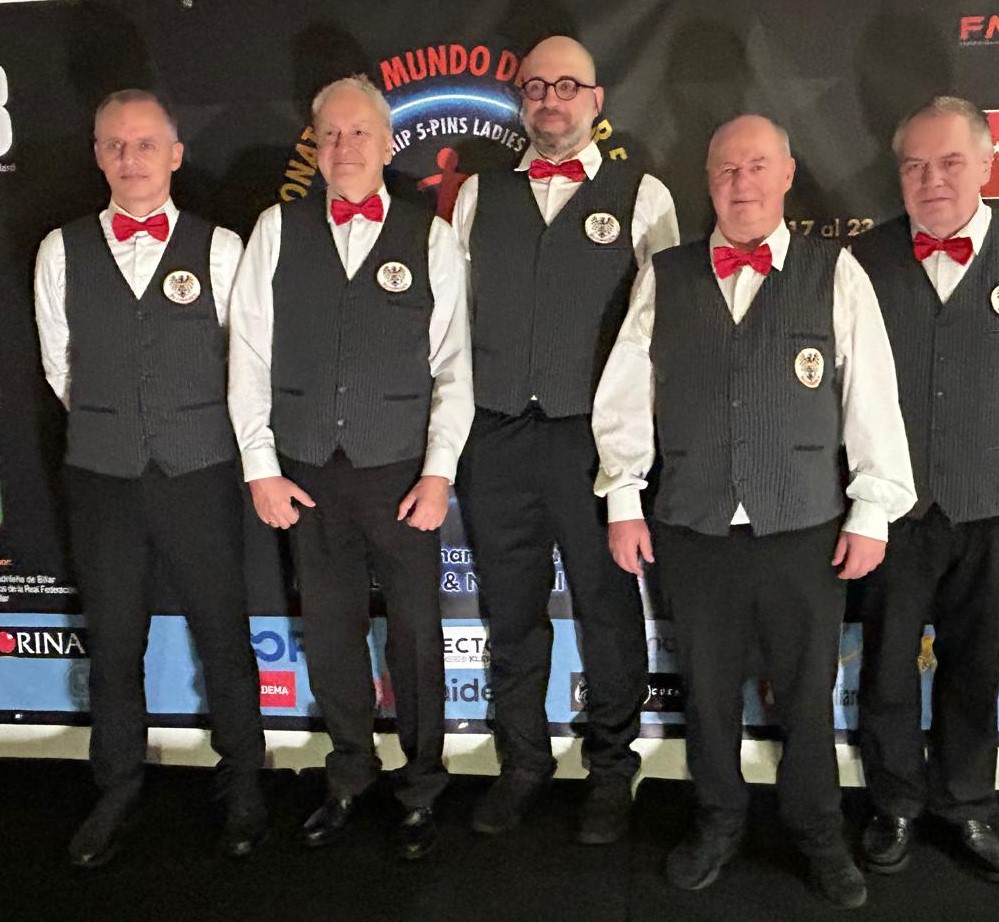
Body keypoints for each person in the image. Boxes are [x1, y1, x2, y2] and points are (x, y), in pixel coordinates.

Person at [593, 114, 916, 909]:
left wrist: (873, 509)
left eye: (757, 167)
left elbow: (871, 397)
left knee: (806, 694)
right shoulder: (666, 275)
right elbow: (626, 396)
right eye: (727, 170)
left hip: (803, 528)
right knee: (706, 693)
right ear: (709, 183)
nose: (742, 183)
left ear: (786, 175)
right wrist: (624, 498)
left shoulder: (834, 272)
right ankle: (718, 819)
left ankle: (817, 829)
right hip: (694, 526)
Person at [227, 74, 473, 861]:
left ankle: (422, 788)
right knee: (330, 634)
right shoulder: (276, 228)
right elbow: (248, 353)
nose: (344, 146)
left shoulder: (430, 237)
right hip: (305, 471)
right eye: (330, 133)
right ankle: (348, 775)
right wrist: (260, 466)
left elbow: (455, 365)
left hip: (399, 471)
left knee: (417, 638)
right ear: (315, 145)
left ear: (387, 142)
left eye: (359, 131)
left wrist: (438, 472)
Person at [850, 96, 999, 882]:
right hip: (894, 510)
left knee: (975, 665)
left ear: (988, 164)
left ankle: (967, 803)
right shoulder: (862, 260)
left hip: (997, 505)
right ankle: (893, 802)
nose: (933, 180)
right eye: (915, 166)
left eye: (951, 162)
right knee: (887, 665)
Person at [450, 34, 679, 844]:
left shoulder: (644, 196)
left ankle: (611, 770)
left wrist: (632, 458)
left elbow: (662, 333)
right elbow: (454, 323)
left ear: (597, 100)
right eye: (536, 86)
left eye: (567, 86)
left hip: (595, 445)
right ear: (521, 99)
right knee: (509, 613)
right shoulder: (479, 195)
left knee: (607, 611)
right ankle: (522, 763)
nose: (550, 100)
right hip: (496, 437)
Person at [33, 89, 266, 868]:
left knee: (224, 635)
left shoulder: (222, 248)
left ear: (175, 154)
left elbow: (246, 366)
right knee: (112, 641)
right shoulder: (60, 250)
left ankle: (243, 783)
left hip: (199, 470)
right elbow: (61, 368)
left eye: (145, 144)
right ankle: (118, 790)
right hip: (102, 476)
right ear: (98, 155)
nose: (130, 158)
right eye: (114, 144)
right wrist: (119, 422)